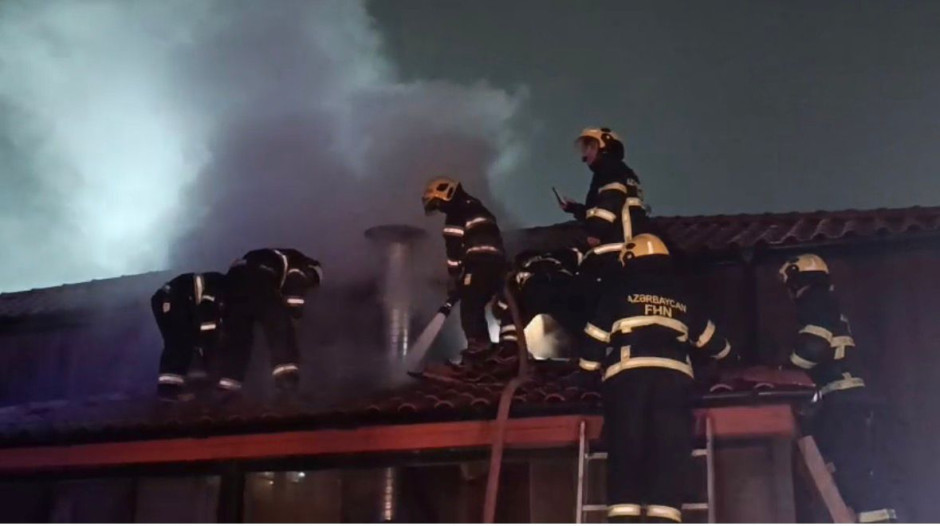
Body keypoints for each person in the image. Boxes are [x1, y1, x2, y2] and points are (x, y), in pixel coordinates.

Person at [578, 234, 733, 523]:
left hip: (628, 381)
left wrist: (585, 376)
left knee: (626, 448)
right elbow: (714, 343)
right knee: (669, 450)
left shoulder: (617, 292)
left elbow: (593, 342)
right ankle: (664, 516)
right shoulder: (682, 295)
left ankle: (623, 516)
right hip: (674, 382)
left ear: (629, 259)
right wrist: (731, 359)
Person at [779, 254, 897, 523]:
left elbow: (813, 346)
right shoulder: (829, 302)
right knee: (853, 469)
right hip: (846, 399)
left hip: (842, 399)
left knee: (851, 469)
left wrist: (786, 371)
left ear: (796, 280)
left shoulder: (815, 301)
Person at [559, 127, 656, 330]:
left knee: (586, 298)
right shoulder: (622, 171)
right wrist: (574, 209)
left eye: (589, 147)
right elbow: (606, 209)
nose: (585, 154)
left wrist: (595, 232)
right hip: (627, 249)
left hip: (614, 250)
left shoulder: (609, 170)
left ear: (601, 146)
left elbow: (609, 205)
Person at [422, 177, 507, 371]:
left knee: (470, 305)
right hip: (497, 265)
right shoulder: (478, 208)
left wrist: (454, 276)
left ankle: (478, 352)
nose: (440, 208)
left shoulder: (456, 213)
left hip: (479, 264)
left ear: (446, 193)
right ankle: (489, 352)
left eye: (438, 203)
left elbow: (453, 249)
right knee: (480, 303)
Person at [218, 248, 322, 396]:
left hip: (232, 283)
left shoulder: (271, 256)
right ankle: (287, 382)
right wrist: (295, 315)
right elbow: (294, 292)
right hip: (259, 279)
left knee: (239, 338)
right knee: (281, 331)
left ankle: (228, 387)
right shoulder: (300, 263)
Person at [152, 272, 226, 402]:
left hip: (164, 299)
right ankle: (168, 393)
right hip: (172, 299)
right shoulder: (223, 287)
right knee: (180, 344)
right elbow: (208, 321)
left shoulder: (219, 283)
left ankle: (173, 391)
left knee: (180, 343)